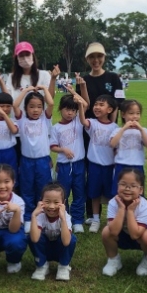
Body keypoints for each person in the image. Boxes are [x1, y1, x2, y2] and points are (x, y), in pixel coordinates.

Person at [100, 168, 147, 278]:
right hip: (123, 234)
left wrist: (130, 211)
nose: (127, 189)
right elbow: (114, 231)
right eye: (123, 184)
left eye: (133, 186)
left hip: (140, 237)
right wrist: (121, 209)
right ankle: (114, 260)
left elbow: (135, 234)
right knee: (106, 231)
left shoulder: (145, 206)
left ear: (141, 190)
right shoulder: (113, 203)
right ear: (117, 186)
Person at [13, 86, 54, 230]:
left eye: (39, 107)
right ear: (26, 108)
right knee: (27, 189)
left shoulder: (45, 119)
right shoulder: (22, 120)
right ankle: (28, 218)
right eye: (31, 107)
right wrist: (26, 91)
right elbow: (15, 105)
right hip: (27, 161)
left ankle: (42, 217)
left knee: (43, 189)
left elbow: (51, 103)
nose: (35, 110)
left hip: (43, 161)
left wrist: (43, 89)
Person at [81, 93, 120, 233]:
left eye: (101, 105)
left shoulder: (115, 127)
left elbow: (116, 148)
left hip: (109, 167)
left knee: (110, 194)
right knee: (94, 193)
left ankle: (111, 218)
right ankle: (96, 219)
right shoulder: (92, 123)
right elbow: (83, 121)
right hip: (94, 166)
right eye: (96, 104)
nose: (97, 107)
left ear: (109, 110)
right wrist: (81, 106)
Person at [50, 94, 87, 233]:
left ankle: (77, 220)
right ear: (60, 109)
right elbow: (53, 146)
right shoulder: (56, 128)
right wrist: (63, 150)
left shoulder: (78, 121)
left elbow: (85, 105)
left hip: (79, 164)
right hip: (64, 166)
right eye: (67, 109)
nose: (70, 113)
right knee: (63, 193)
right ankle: (64, 218)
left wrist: (76, 96)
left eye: (73, 110)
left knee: (79, 192)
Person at [28, 183, 76, 281]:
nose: (51, 206)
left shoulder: (66, 217)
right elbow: (35, 239)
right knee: (31, 235)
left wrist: (62, 219)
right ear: (41, 201)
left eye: (56, 202)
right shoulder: (40, 215)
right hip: (45, 249)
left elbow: (66, 242)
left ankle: (63, 266)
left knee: (72, 239)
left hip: (60, 249)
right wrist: (33, 216)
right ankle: (42, 265)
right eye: (47, 201)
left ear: (63, 203)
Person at [75, 42, 125, 121]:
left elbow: (118, 103)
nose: (96, 60)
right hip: (88, 125)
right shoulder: (82, 81)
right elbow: (82, 106)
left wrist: (111, 125)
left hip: (109, 126)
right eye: (92, 57)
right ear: (87, 59)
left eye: (99, 56)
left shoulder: (114, 78)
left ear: (104, 57)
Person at [109, 99, 147, 191]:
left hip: (137, 165)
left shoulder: (143, 130)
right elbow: (112, 144)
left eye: (138, 113)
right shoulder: (117, 130)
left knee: (136, 191)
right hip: (121, 164)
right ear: (123, 114)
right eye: (131, 113)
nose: (135, 116)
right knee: (120, 190)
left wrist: (140, 129)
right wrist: (123, 129)